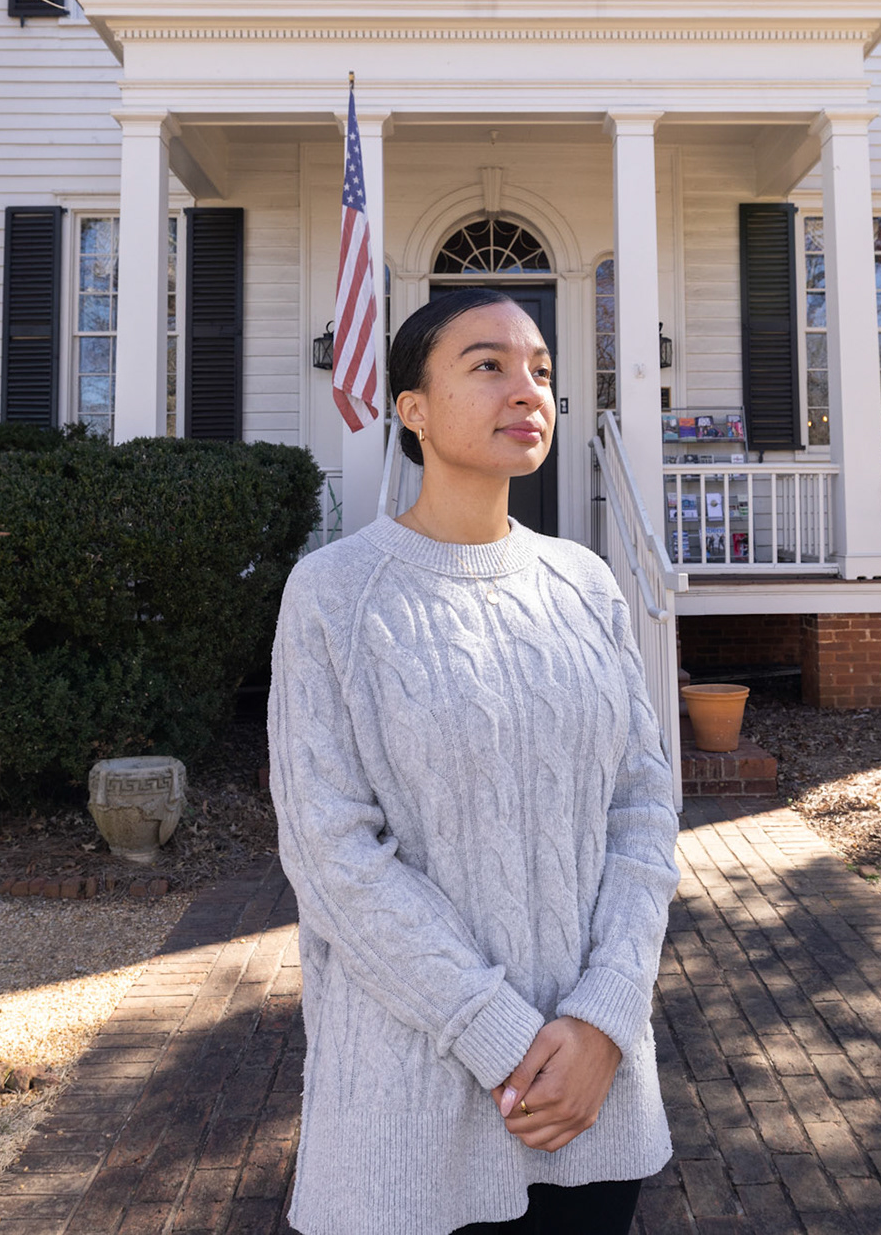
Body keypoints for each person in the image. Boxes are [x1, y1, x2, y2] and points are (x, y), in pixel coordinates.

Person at [266, 287, 681, 1235]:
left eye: (540, 369)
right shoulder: (334, 595)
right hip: (411, 1117)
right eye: (487, 364)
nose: (525, 387)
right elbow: (332, 855)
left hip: (591, 1106)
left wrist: (606, 1017)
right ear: (412, 409)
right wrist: (505, 1040)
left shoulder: (585, 583)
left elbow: (642, 807)